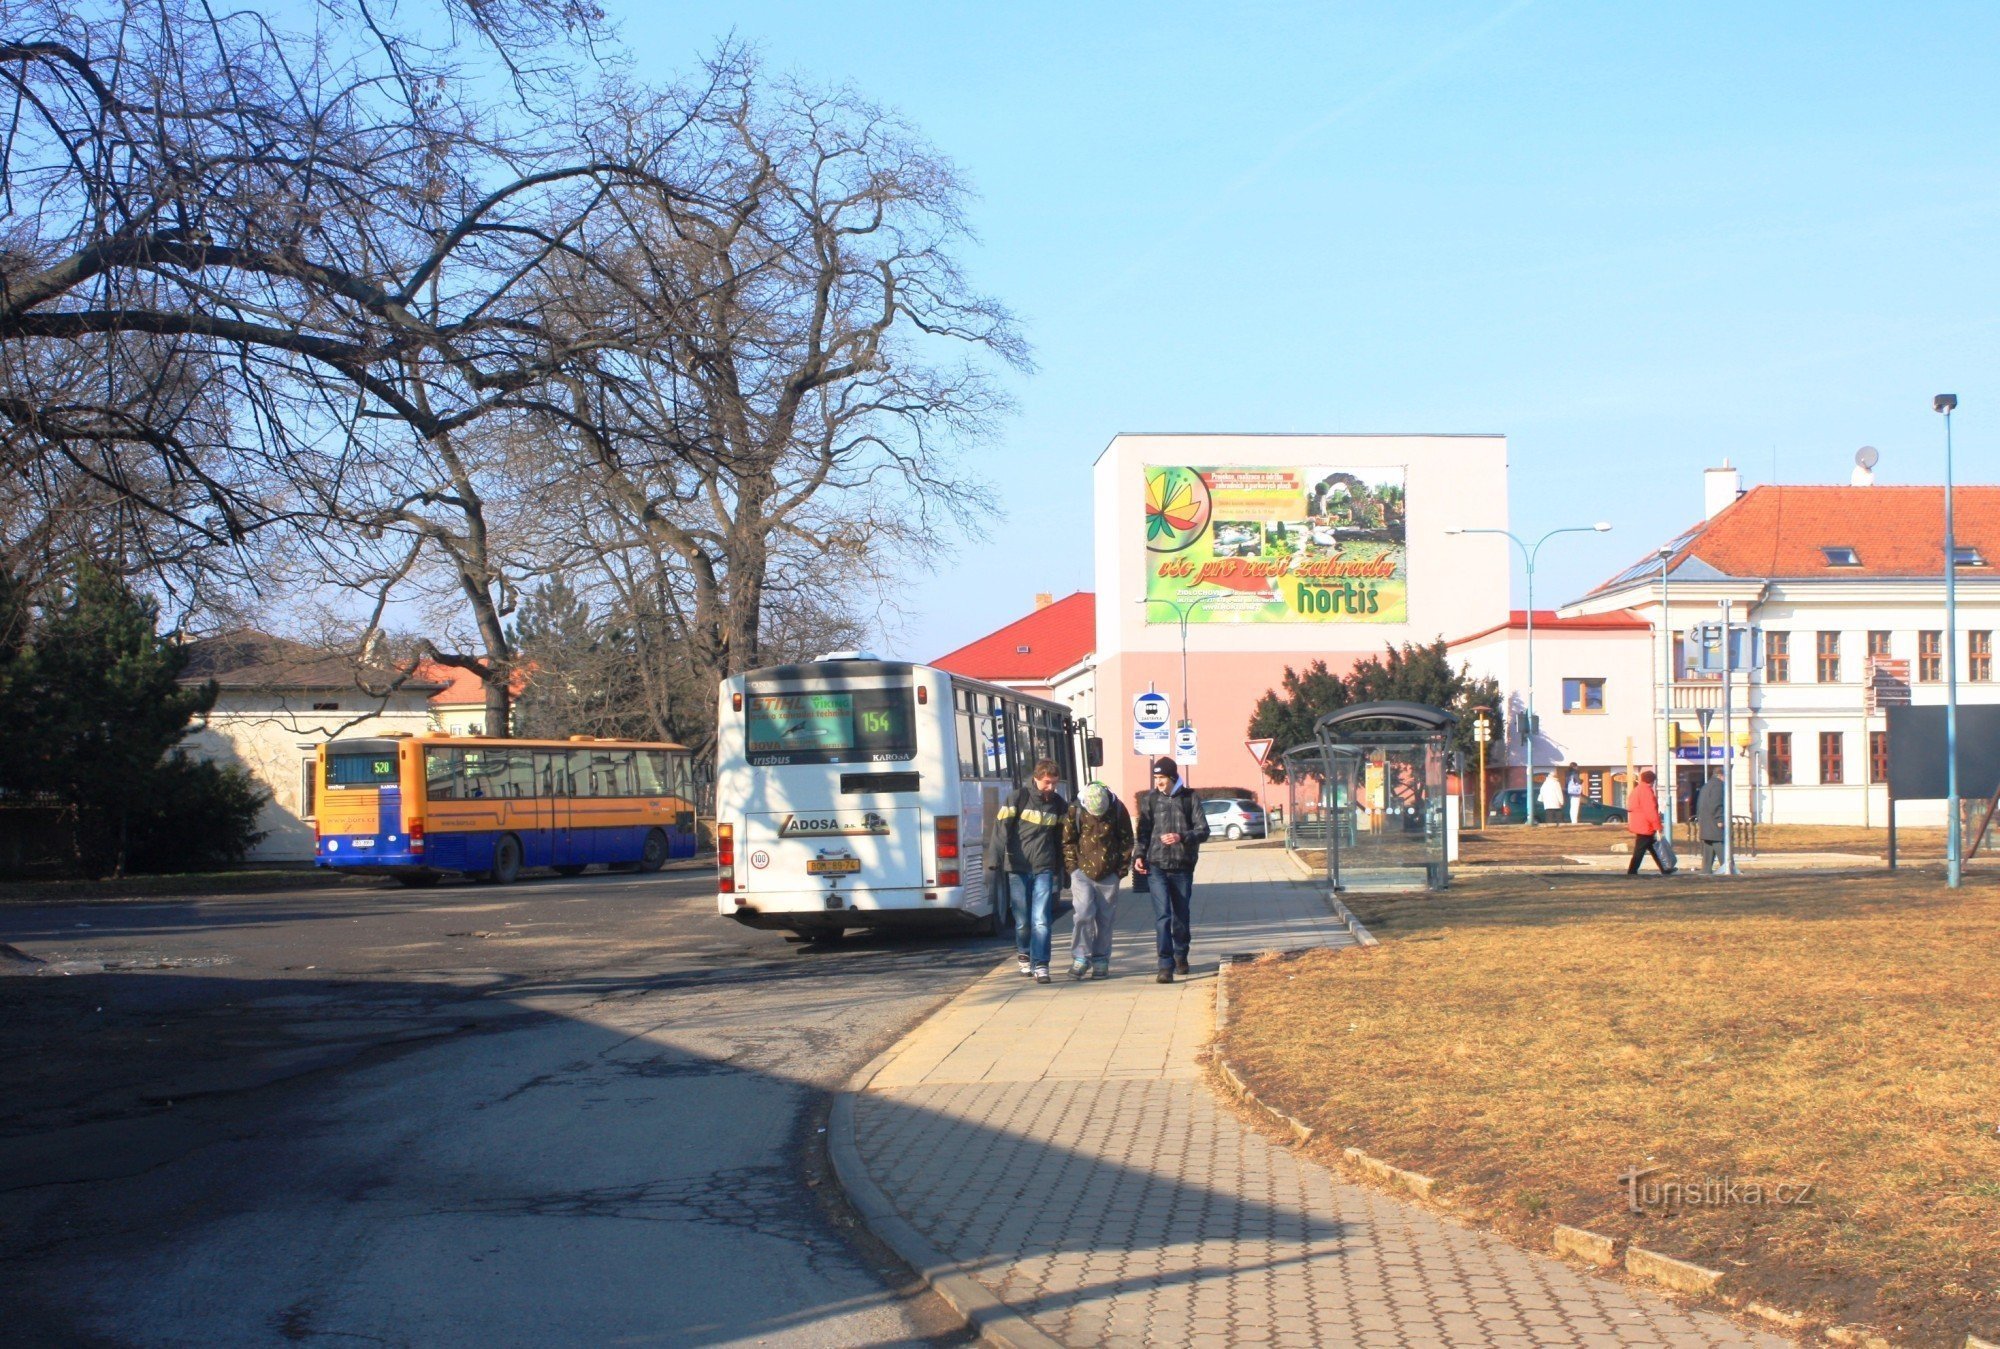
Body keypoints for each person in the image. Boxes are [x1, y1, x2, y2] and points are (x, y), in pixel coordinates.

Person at [1134, 756, 1210, 983]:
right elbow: (1143, 832)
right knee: (1163, 916)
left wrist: (1181, 837)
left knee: (1181, 916)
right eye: (1156, 778)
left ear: (1173, 777)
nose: (1158, 783)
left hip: (1182, 866)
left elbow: (1203, 830)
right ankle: (1164, 964)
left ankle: (1181, 955)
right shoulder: (1150, 800)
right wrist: (1139, 855)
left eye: (1162, 779)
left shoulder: (1190, 798)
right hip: (1156, 865)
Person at [994, 759, 1068, 983]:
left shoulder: (1059, 804)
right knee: (1023, 920)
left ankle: (1042, 965)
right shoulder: (1017, 798)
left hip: (1044, 868)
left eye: (1054, 784)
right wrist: (994, 862)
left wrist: (1063, 868)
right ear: (1036, 778)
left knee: (1041, 919)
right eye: (1047, 783)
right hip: (1018, 868)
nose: (1051, 788)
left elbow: (1063, 839)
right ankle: (1024, 953)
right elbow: (1000, 831)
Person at [1063, 780, 1133, 980]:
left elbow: (1127, 840)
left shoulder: (1118, 809)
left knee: (1105, 919)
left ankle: (1101, 959)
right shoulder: (1074, 811)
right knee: (1083, 914)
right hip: (1081, 872)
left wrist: (1120, 870)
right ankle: (1080, 957)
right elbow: (1067, 841)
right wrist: (1072, 868)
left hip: (1109, 873)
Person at [1625, 768, 1675, 875]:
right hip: (1645, 825)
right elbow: (1650, 811)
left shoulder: (1637, 789)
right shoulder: (1646, 791)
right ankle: (1632, 871)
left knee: (1654, 847)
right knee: (1640, 850)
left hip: (1640, 824)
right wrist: (1657, 826)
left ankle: (1665, 868)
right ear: (1652, 781)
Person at [1695, 768, 1726, 874]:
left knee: (1709, 843)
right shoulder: (1718, 786)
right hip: (1714, 821)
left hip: (1705, 820)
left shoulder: (1707, 785)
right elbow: (1717, 803)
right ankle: (1727, 866)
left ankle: (1706, 869)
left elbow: (1699, 803)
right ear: (1721, 775)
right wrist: (1720, 818)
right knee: (1719, 842)